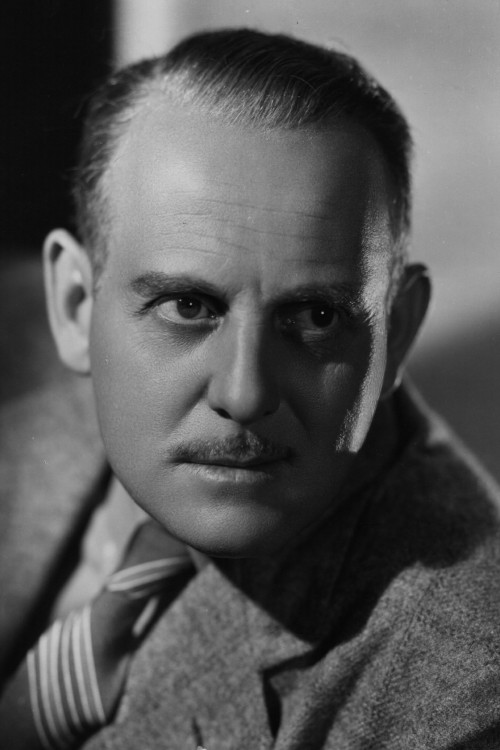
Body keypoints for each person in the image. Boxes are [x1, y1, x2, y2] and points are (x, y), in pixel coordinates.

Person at [1, 28, 500, 749]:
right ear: (76, 306)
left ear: (396, 334)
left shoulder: (462, 698)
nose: (244, 393)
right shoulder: (12, 343)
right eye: (188, 307)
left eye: (316, 317)